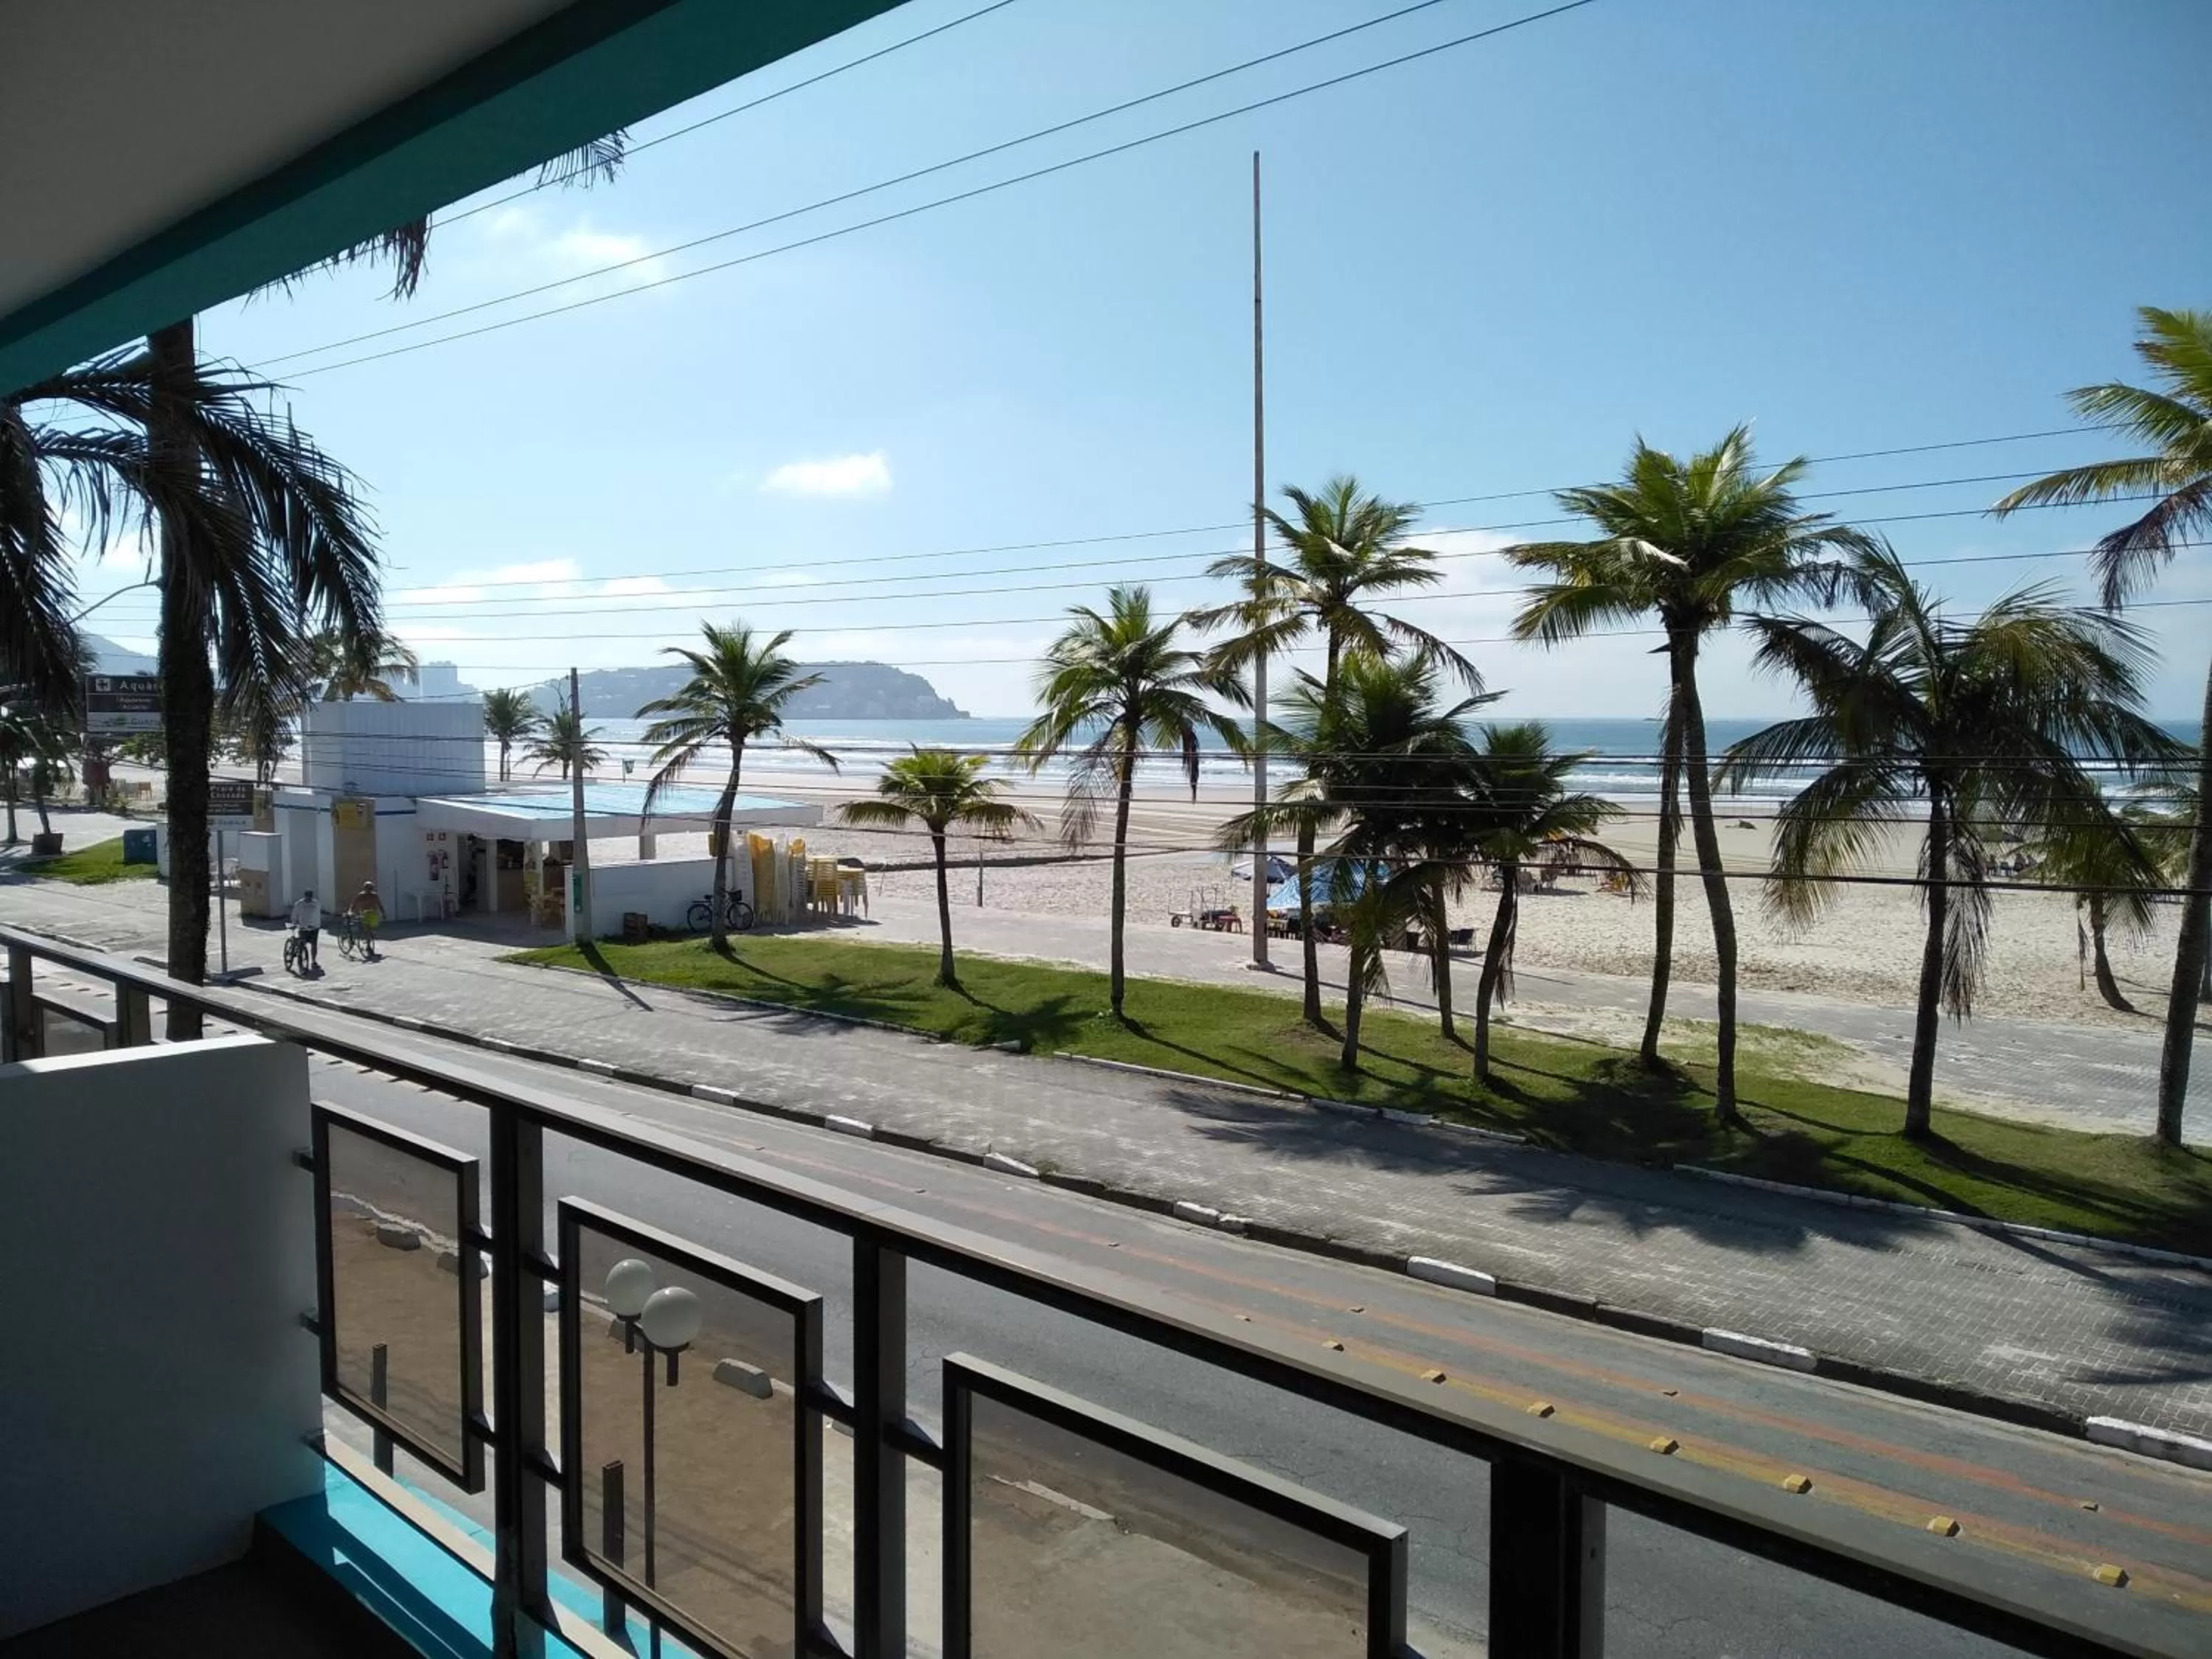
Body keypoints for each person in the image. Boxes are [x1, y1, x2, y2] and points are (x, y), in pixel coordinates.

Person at [289, 888, 321, 971]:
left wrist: (317, 925)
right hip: (303, 928)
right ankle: (300, 964)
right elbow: (295, 914)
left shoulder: (316, 903)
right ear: (305, 896)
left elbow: (317, 916)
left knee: (314, 945)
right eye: (307, 897)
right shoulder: (299, 904)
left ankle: (314, 961)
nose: (309, 899)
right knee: (301, 946)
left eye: (310, 897)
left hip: (314, 928)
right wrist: (294, 923)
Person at [354, 880, 383, 961]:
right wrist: (351, 911)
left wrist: (383, 913)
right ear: (365, 888)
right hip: (365, 914)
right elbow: (354, 903)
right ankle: (368, 946)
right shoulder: (361, 895)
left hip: (373, 914)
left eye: (371, 888)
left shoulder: (375, 896)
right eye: (368, 888)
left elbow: (380, 904)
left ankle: (368, 942)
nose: (370, 890)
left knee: (371, 930)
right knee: (367, 930)